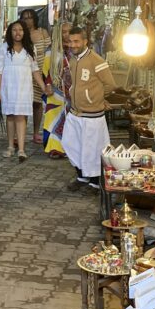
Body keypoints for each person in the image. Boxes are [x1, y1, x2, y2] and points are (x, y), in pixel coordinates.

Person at [62, 25, 116, 191]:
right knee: (71, 144)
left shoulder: (96, 60)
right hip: (75, 112)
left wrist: (96, 98)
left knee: (92, 149)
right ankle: (81, 176)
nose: (73, 45)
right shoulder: (72, 59)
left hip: (92, 114)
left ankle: (94, 182)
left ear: (85, 41)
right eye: (71, 41)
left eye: (77, 41)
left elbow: (110, 85)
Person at [0, 20, 45, 162]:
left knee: (21, 117)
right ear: (10, 32)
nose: (18, 33)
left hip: (24, 88)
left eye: (21, 30)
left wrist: (43, 87)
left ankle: (21, 149)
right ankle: (10, 146)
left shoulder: (30, 48)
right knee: (10, 116)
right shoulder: (3, 48)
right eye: (15, 30)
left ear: (24, 32)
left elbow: (35, 70)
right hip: (8, 87)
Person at [19, 8, 50, 144]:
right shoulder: (20, 34)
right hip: (25, 73)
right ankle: (22, 132)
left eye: (30, 17)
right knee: (25, 103)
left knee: (37, 103)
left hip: (41, 72)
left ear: (35, 19)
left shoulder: (42, 32)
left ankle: (36, 132)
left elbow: (49, 51)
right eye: (25, 18)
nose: (28, 20)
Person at [41, 21, 72, 157]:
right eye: (63, 32)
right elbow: (47, 70)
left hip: (72, 91)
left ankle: (69, 148)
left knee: (70, 119)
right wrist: (47, 85)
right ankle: (55, 148)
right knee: (53, 118)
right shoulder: (51, 50)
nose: (67, 35)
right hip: (56, 90)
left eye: (69, 31)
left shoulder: (76, 48)